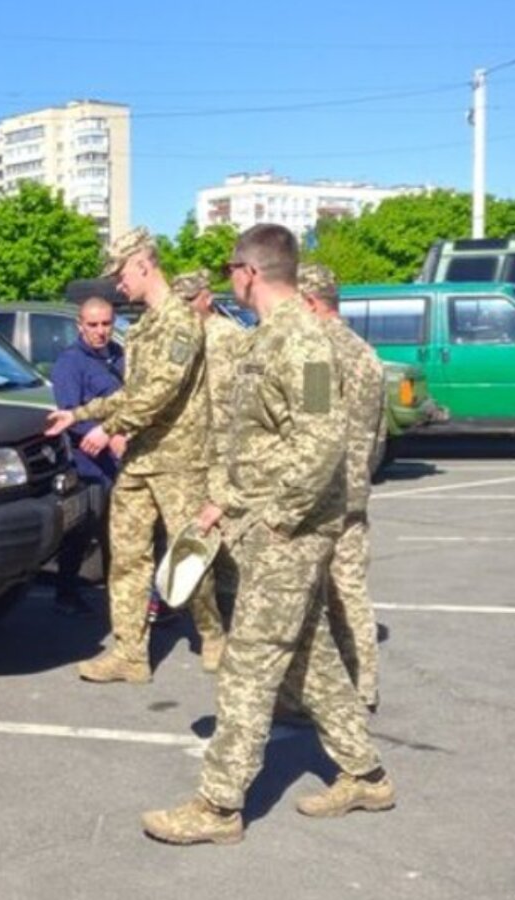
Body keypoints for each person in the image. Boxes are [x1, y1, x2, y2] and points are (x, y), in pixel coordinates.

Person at [141, 224, 394, 846]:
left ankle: (219, 805)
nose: (230, 277)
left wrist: (280, 521)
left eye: (232, 267)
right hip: (262, 522)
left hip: (292, 530)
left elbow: (320, 444)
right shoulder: (270, 338)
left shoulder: (304, 344)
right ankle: (366, 774)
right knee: (310, 657)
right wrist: (217, 504)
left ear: (248, 272)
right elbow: (256, 442)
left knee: (249, 665)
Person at [46, 227, 214, 684]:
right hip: (139, 460)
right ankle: (130, 654)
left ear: (143, 263)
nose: (117, 284)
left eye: (121, 273)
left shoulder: (180, 321)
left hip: (178, 458)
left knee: (189, 553)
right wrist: (76, 414)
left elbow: (160, 392)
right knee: (127, 556)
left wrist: (108, 427)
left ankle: (214, 635)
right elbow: (129, 394)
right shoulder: (141, 328)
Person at [297, 263, 387, 711]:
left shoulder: (320, 353)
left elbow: (312, 424)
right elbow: (379, 434)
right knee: (350, 591)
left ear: (312, 303)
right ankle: (364, 683)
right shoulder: (366, 353)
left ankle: (309, 695)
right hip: (355, 491)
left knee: (308, 597)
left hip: (323, 494)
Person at [173, 269, 244, 656]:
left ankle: (234, 622)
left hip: (228, 445)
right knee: (200, 534)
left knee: (231, 537)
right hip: (193, 448)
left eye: (190, 300)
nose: (186, 308)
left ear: (206, 298)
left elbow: (252, 384)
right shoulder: (182, 340)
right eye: (179, 301)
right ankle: (212, 623)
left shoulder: (231, 336)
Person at [49, 295, 126, 616]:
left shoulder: (118, 356)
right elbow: (70, 413)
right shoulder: (70, 362)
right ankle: (66, 591)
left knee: (118, 531)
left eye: (106, 324)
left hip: (120, 458)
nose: (100, 331)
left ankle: (118, 596)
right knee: (84, 530)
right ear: (79, 326)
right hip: (89, 462)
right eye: (93, 325)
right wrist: (106, 434)